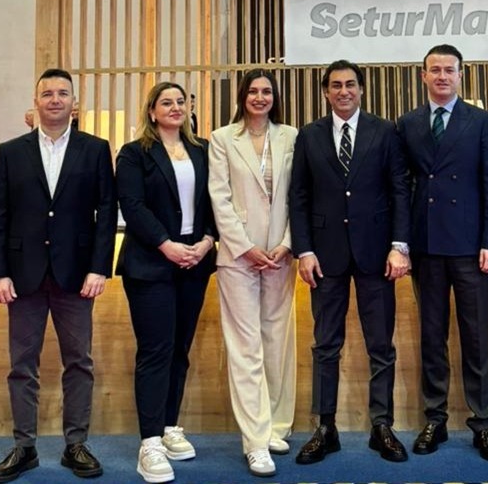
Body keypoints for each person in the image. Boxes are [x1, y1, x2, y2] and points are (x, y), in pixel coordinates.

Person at [0, 68, 116, 482]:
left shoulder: (95, 149)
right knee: (22, 365)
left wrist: (99, 267)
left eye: (63, 93)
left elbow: (106, 211)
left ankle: (76, 444)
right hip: (22, 275)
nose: (55, 100)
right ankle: (24, 447)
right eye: (47, 94)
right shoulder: (11, 151)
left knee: (80, 362)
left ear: (74, 103)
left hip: (76, 274)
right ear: (36, 101)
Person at [288, 60, 411, 465]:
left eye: (351, 84)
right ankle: (325, 428)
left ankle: (382, 426)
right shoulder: (309, 135)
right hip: (325, 256)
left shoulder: (385, 131)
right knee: (325, 345)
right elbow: (299, 196)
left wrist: (400, 246)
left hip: (377, 253)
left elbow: (399, 190)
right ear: (326, 92)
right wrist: (304, 251)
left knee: (381, 345)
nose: (344, 91)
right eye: (336, 85)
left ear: (361, 89)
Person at [396, 44, 488, 462]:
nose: (442, 76)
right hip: (426, 246)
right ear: (423, 76)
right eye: (435, 70)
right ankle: (435, 418)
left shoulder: (481, 121)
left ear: (461, 75)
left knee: (476, 337)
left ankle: (483, 422)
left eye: (449, 70)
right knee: (432, 336)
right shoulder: (407, 124)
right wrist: (401, 244)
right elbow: (401, 188)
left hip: (471, 248)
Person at [115, 81, 217, 484]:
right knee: (156, 351)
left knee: (179, 350)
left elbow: (216, 201)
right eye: (166, 102)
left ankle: (170, 425)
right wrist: (166, 245)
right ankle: (150, 442)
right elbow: (133, 206)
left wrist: (207, 241)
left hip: (195, 260)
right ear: (152, 111)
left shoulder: (203, 150)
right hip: (150, 263)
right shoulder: (134, 153)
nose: (175, 107)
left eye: (181, 101)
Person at [207, 69, 298, 478]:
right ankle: (255, 440)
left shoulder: (291, 137)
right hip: (238, 256)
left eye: (267, 91)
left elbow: (300, 195)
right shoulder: (222, 138)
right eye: (253, 91)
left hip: (280, 253)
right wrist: (244, 247)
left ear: (275, 97)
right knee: (245, 347)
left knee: (277, 340)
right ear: (242, 96)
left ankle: (276, 425)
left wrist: (288, 242)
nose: (260, 97)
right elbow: (219, 197)